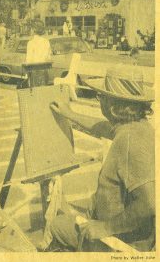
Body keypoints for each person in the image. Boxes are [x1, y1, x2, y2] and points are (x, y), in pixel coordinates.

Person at [49, 65, 155, 252]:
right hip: (129, 232)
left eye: (101, 96)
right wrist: (70, 114)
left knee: (57, 226)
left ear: (113, 108)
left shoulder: (129, 141)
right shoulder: (137, 127)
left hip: (121, 242)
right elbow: (104, 128)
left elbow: (149, 204)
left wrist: (105, 228)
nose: (100, 100)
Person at [26, 19, 52, 86]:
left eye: (31, 28)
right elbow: (48, 57)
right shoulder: (46, 42)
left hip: (34, 72)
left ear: (34, 29)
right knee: (43, 92)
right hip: (44, 71)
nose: (30, 30)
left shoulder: (31, 43)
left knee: (34, 93)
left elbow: (29, 60)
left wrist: (27, 74)